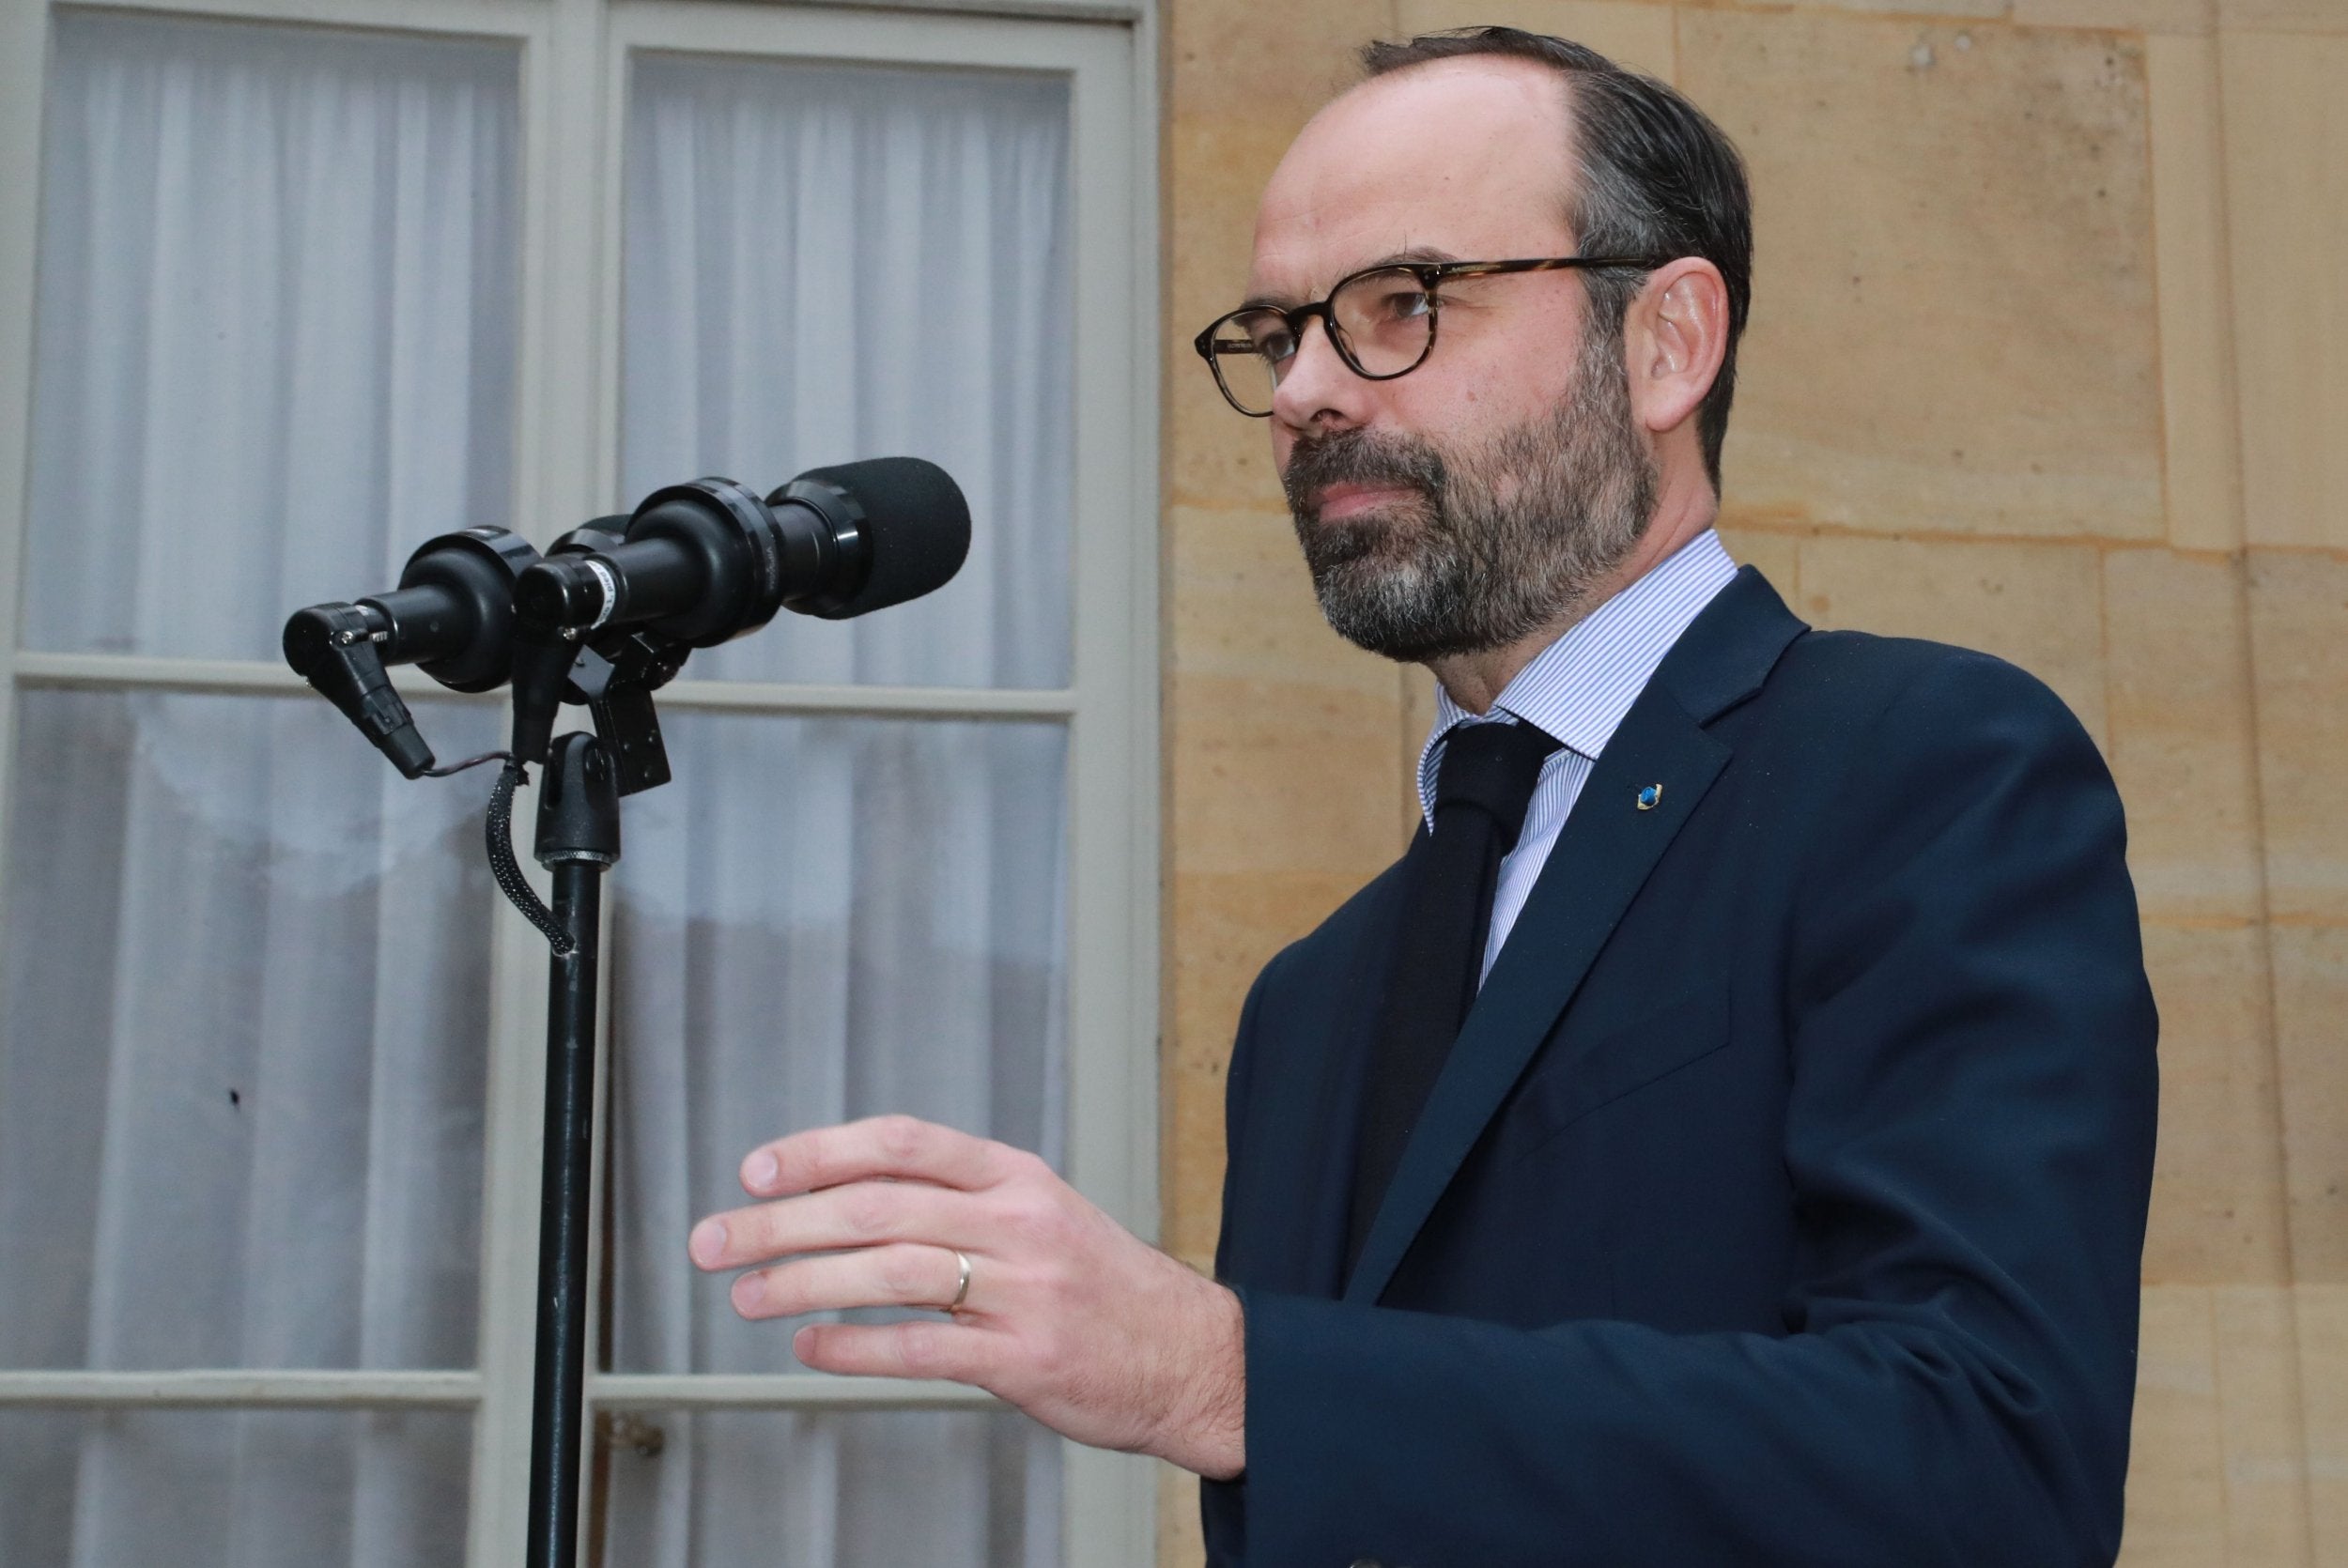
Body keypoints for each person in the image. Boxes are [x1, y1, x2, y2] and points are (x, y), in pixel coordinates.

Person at [687, 27, 2158, 1566]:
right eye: (1277, 334)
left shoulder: (1924, 772)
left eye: (1401, 305)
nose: (1307, 390)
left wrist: (1222, 1370)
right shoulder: (1310, 1000)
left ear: (1667, 342)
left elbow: (1989, 1459)